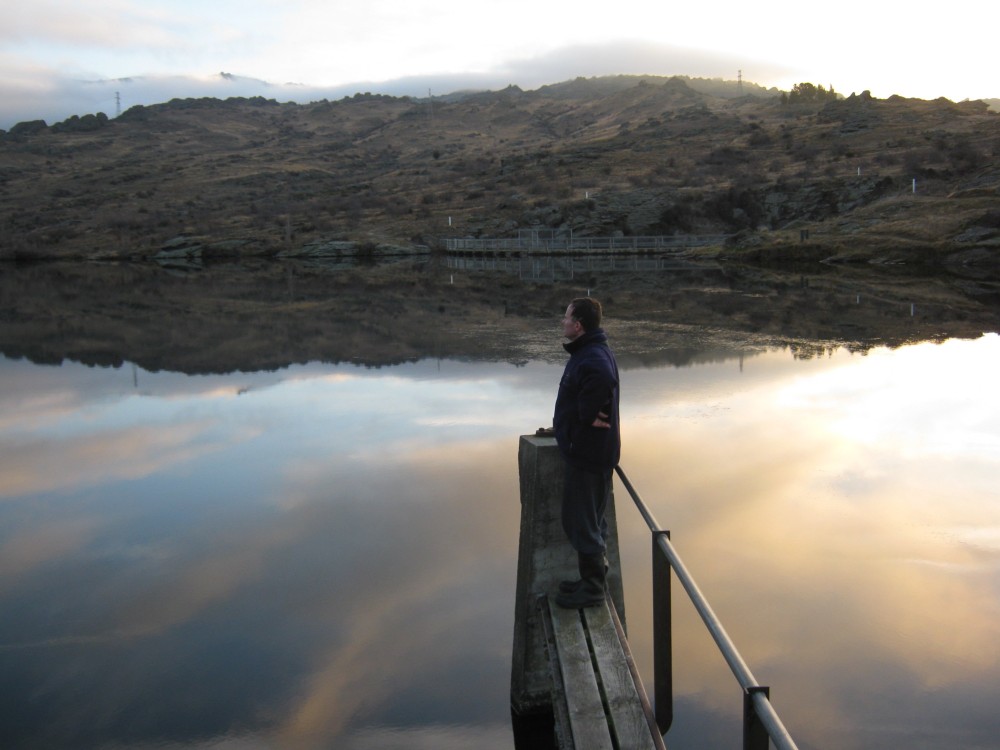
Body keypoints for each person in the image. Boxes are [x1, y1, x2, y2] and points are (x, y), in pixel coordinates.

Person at [551, 297, 621, 609]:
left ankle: (593, 590)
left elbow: (602, 380)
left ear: (578, 325)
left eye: (566, 317)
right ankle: (592, 579)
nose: (563, 322)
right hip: (592, 451)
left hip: (587, 454)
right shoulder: (590, 350)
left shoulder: (592, 357)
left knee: (581, 521)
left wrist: (583, 414)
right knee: (591, 519)